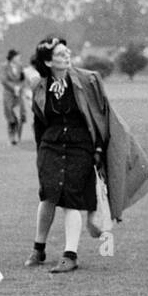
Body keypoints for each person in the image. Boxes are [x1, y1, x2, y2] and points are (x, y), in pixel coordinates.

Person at [26, 36, 111, 274]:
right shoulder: (40, 86)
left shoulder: (86, 80)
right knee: (48, 195)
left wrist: (97, 148)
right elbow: (38, 122)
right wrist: (40, 149)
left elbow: (99, 115)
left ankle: (69, 255)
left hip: (80, 146)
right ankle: (38, 248)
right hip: (50, 145)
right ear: (49, 62)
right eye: (61, 54)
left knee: (71, 198)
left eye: (67, 52)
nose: (67, 55)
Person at [2, 49, 28, 145]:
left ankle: (18, 137)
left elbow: (23, 79)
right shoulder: (4, 66)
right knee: (11, 116)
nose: (19, 58)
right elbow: (4, 80)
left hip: (19, 94)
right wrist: (14, 88)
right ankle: (11, 137)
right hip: (9, 94)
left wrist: (19, 87)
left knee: (20, 115)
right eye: (17, 57)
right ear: (12, 57)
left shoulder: (20, 66)